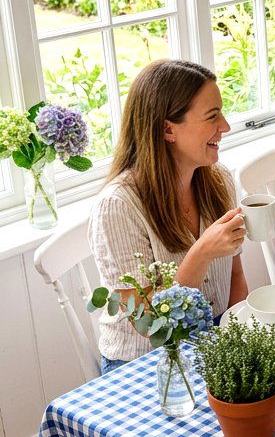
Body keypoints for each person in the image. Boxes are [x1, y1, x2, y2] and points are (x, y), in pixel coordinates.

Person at [89, 59, 248, 375]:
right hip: (141, 364)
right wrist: (200, 253)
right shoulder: (118, 206)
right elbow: (147, 324)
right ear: (167, 129)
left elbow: (235, 278)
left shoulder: (219, 181)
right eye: (212, 116)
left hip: (209, 341)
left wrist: (239, 343)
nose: (225, 126)